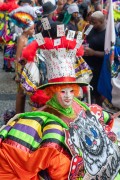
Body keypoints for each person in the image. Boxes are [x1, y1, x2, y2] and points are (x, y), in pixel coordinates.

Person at [0, 22, 120, 178]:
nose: (68, 95)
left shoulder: (81, 106)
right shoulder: (44, 124)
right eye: (63, 91)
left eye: (72, 91)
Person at [83, 11, 106, 105]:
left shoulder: (107, 34)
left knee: (97, 92)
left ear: (102, 21)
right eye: (91, 21)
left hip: (99, 68)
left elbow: (109, 53)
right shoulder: (89, 27)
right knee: (87, 90)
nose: (91, 24)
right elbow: (84, 38)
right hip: (87, 66)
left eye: (94, 22)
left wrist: (94, 53)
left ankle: (98, 109)